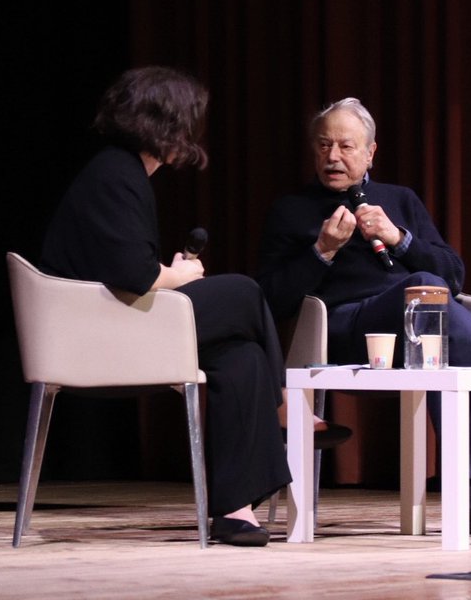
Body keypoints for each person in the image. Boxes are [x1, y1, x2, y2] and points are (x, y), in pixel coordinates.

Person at [257, 97, 471, 537]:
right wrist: (322, 251)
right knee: (425, 291)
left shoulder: (400, 201)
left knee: (437, 327)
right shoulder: (291, 210)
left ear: (370, 152)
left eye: (345, 146)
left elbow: (453, 275)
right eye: (324, 145)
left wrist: (398, 237)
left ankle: (470, 499)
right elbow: (271, 298)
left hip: (416, 325)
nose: (333, 157)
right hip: (343, 330)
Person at [41, 65, 290, 547]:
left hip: (114, 321)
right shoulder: (116, 173)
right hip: (93, 335)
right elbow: (137, 276)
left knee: (241, 357)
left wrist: (168, 275)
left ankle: (235, 509)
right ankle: (283, 405)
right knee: (244, 292)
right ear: (169, 124)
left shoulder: (122, 172)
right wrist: (181, 275)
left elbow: (127, 269)